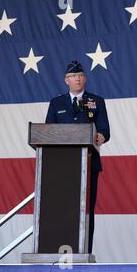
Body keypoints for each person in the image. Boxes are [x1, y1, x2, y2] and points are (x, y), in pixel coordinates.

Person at [45, 60, 110, 254]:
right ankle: (62, 252)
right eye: (73, 76)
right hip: (62, 167)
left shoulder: (96, 101)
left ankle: (84, 253)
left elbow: (105, 129)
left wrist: (101, 136)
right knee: (63, 210)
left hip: (89, 165)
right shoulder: (56, 103)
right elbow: (47, 132)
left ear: (85, 79)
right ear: (66, 80)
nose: (77, 79)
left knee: (87, 211)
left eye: (80, 75)